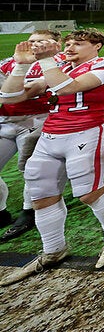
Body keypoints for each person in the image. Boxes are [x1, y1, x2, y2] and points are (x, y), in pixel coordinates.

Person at [0, 29, 104, 285]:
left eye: (78, 44)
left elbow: (71, 87)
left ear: (98, 45)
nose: (69, 48)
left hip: (85, 132)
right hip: (49, 135)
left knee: (89, 193)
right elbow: (11, 97)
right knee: (42, 196)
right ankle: (53, 249)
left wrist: (47, 60)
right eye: (67, 43)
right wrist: (21, 67)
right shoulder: (59, 66)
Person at [0, 30, 64, 241]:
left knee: (31, 169)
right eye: (31, 41)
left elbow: (21, 93)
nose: (34, 45)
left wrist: (13, 86)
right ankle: (1, 211)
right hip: (5, 121)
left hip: (38, 119)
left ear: (56, 44)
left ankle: (28, 212)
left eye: (40, 41)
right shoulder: (9, 61)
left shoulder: (60, 61)